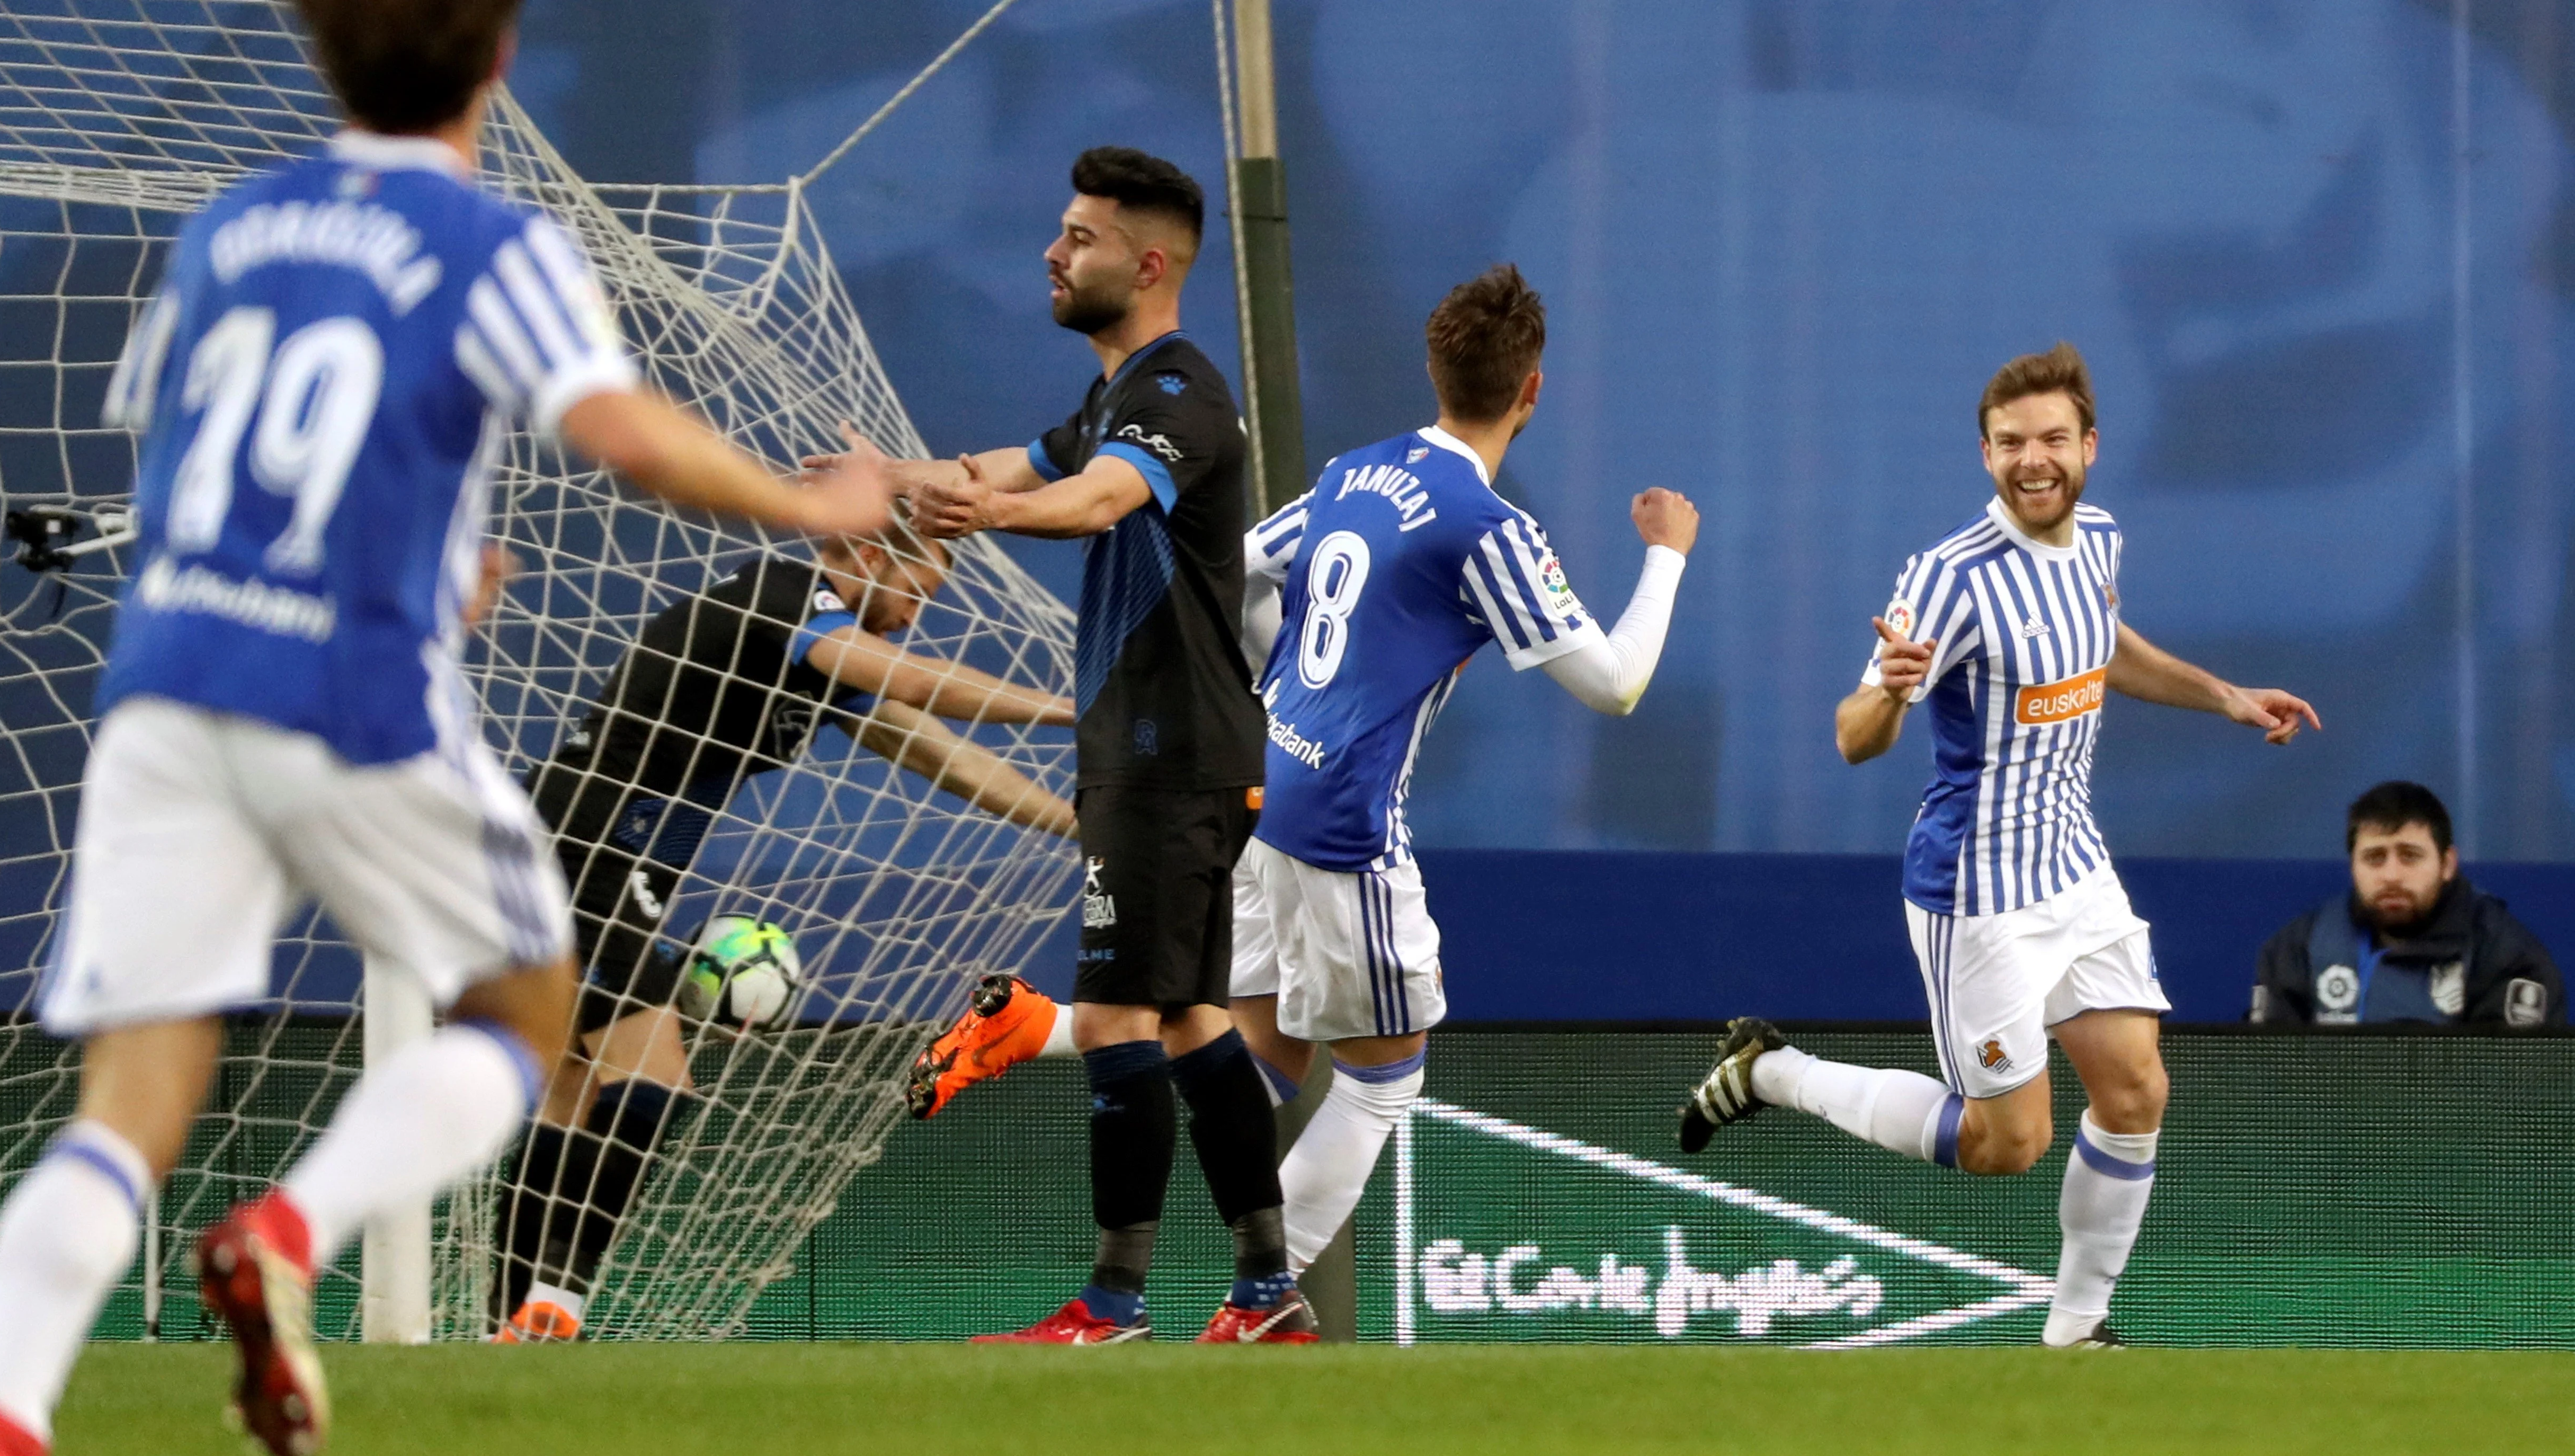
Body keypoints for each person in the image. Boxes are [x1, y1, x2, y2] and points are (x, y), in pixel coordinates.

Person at [0, 0, 892, 1456]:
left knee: (128, 1102)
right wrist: (806, 503)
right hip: (352, 691)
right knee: (525, 1014)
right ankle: (289, 1230)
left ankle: (1, 1429)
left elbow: (219, 461)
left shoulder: (231, 231)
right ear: (502, 59)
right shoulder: (496, 246)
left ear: (317, 50)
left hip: (171, 683)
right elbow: (621, 432)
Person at [908, 267, 1699, 1306]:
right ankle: (1259, 1304)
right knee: (1381, 1081)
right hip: (1339, 824)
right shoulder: (1486, 523)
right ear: (1532, 391)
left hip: (1257, 784)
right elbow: (1615, 684)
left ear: (1432, 366)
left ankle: (1035, 1025)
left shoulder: (1353, 473)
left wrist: (1280, 698)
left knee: (1258, 1052)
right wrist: (1665, 557)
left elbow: (1240, 567)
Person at [1677, 342, 2320, 1349]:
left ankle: (2075, 1332)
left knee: (2138, 1087)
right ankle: (1771, 1070)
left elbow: (2105, 647)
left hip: (2075, 863)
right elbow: (1853, 737)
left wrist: (2225, 697)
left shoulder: (2099, 538)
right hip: (1979, 894)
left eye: (2054, 439)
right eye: (2013, 442)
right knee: (2005, 1143)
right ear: (1985, 454)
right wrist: (1890, 686)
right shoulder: (1950, 578)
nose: (2035, 459)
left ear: (2089, 447)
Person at [489, 520, 1077, 1342]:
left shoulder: (824, 665)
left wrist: (1078, 824)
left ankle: (507, 1321)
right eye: (917, 591)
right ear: (870, 558)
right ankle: (559, 1302)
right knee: (653, 1081)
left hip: (584, 853)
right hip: (587, 846)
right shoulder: (788, 599)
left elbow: (947, 757)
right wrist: (1072, 710)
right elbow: (920, 680)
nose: (912, 615)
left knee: (577, 1093)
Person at [899, 148, 1287, 1344]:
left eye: (1079, 236)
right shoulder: (1118, 396)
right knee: (1188, 1018)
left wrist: (992, 514)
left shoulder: (1176, 396)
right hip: (1172, 747)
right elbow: (1006, 469)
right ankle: (1266, 1292)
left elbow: (1093, 500)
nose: (1052, 253)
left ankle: (1112, 1302)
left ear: (1149, 261)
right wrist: (877, 484)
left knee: (1120, 1014)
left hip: (1169, 749)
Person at [2252, 781, 2561, 1028]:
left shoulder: (2505, 954)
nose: (2392, 876)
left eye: (2410, 856)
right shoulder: (2299, 948)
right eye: (2375, 858)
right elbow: (2265, 1077)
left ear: (2447, 864)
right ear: (2352, 866)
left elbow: (2512, 1092)